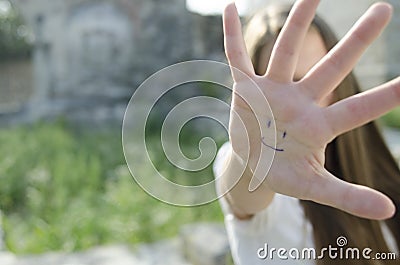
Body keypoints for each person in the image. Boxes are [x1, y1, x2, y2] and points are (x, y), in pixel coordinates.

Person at [213, 0, 400, 264]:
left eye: (312, 80)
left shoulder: (377, 164)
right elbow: (242, 196)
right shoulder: (252, 169)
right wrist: (254, 165)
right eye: (282, 90)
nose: (297, 105)